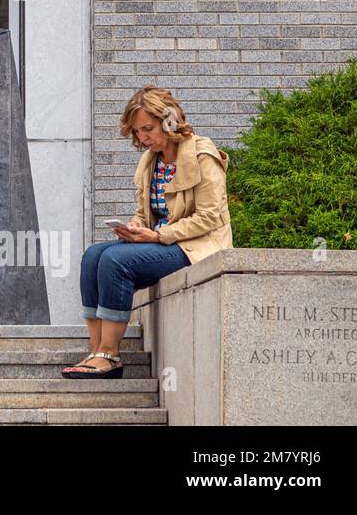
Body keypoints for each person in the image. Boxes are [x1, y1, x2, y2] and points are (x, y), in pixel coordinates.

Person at [63, 85, 233, 378]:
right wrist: (136, 225)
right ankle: (97, 351)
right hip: (161, 242)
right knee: (92, 256)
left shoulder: (202, 154)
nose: (143, 138)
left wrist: (157, 235)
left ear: (169, 121)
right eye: (137, 132)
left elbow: (210, 217)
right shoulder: (150, 160)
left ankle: (110, 355)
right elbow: (146, 213)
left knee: (115, 261)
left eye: (148, 129)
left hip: (196, 245)